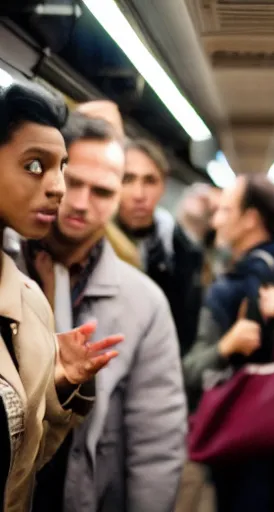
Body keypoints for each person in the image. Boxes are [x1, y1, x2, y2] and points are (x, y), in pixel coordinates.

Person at [12, 112, 187, 511]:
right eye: (71, 181)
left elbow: (156, 440)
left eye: (102, 191)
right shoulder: (5, 272)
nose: (78, 203)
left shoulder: (143, 302)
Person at [0, 82, 122, 511]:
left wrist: (58, 386)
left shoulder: (29, 301)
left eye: (61, 168)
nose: (58, 187)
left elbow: (25, 466)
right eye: (35, 165)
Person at [184, 174, 274, 512]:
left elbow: (191, 372)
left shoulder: (230, 288)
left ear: (250, 219)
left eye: (224, 210)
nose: (215, 219)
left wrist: (225, 347)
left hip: (238, 450)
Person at [114, 138, 212, 356]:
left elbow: (186, 332)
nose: (139, 194)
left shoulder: (184, 254)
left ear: (163, 187)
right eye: (127, 179)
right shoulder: (90, 244)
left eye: (149, 181)